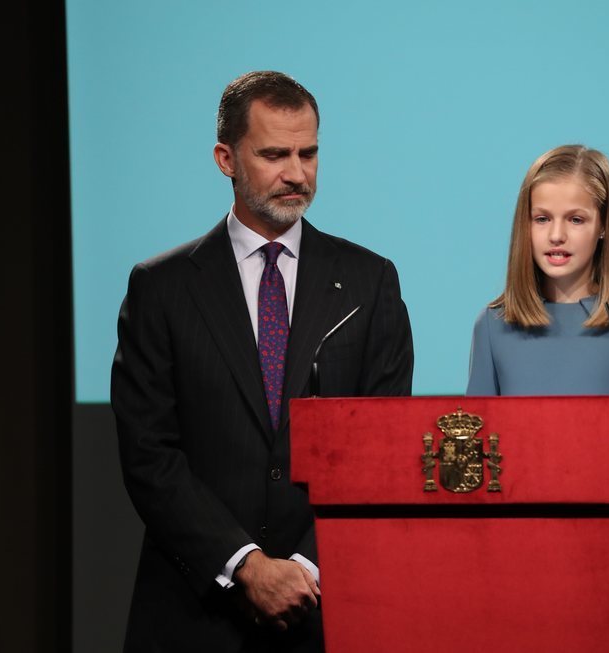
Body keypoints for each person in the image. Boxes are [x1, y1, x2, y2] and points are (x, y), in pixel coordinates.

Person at [111, 71, 414, 652]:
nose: (296, 173)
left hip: (330, 614)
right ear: (226, 158)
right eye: (275, 154)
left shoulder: (370, 282)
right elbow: (148, 453)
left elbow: (384, 448)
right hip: (195, 616)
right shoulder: (161, 287)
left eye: (309, 153)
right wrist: (246, 565)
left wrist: (304, 568)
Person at [466, 144, 609, 653]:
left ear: (603, 227)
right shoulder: (493, 328)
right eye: (542, 218)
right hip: (521, 570)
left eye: (575, 218)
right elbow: (475, 459)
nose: (555, 235)